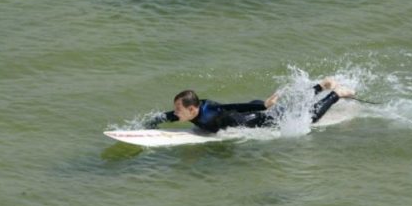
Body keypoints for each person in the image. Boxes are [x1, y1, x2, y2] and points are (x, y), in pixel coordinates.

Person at [144, 77, 355, 133]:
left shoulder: (211, 111)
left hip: (262, 118)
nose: (175, 113)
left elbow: (235, 105)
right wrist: (149, 124)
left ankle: (335, 93)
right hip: (254, 114)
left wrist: (263, 106)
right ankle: (320, 86)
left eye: (179, 110)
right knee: (295, 107)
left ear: (192, 109)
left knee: (308, 117)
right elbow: (167, 116)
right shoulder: (189, 112)